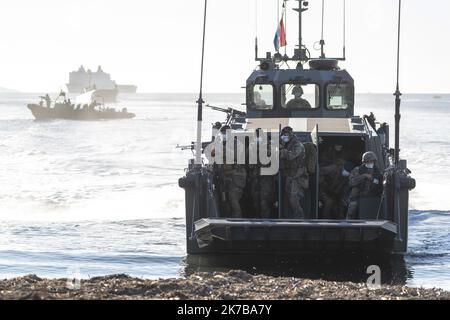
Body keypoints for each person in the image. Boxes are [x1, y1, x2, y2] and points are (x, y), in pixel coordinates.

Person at [213, 125, 247, 218]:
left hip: (235, 177)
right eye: (222, 133)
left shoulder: (238, 144)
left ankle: (238, 224)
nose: (224, 135)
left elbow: (235, 156)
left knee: (234, 201)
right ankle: (228, 223)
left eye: (226, 133)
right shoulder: (219, 144)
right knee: (224, 201)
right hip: (223, 177)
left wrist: (222, 150)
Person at [279, 126, 309, 219]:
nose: (284, 137)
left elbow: (291, 156)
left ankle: (300, 219)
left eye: (286, 135)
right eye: (283, 135)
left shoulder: (297, 145)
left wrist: (282, 151)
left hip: (297, 176)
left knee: (294, 199)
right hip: (290, 175)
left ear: (291, 135)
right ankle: (294, 217)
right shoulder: (287, 144)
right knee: (289, 197)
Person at [346, 151, 383, 219]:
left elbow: (379, 183)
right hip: (359, 195)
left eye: (372, 161)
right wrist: (363, 176)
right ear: (364, 162)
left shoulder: (377, 171)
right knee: (352, 207)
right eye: (368, 161)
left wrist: (372, 179)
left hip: (372, 196)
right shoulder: (358, 170)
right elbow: (351, 182)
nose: (370, 163)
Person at [248, 129, 275, 218]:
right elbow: (247, 159)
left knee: (265, 202)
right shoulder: (251, 146)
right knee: (255, 201)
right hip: (255, 178)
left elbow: (270, 158)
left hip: (265, 178)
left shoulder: (269, 146)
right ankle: (257, 219)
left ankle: (265, 223)